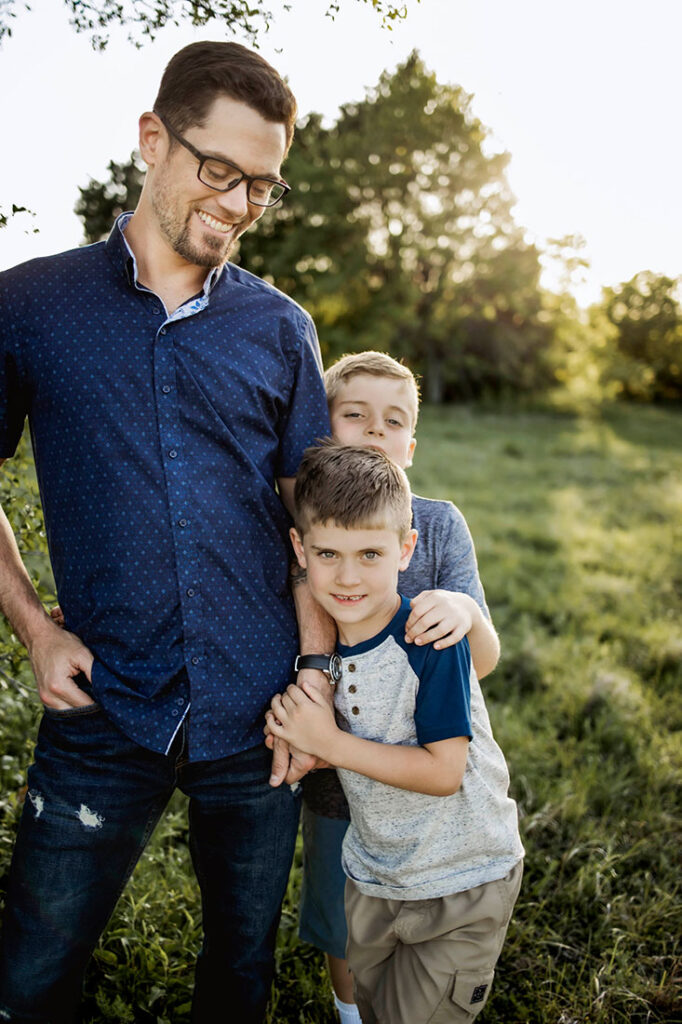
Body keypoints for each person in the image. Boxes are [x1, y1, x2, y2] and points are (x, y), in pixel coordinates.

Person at [0, 41, 334, 1023]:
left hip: (261, 710)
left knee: (238, 979)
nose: (237, 206)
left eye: (261, 187)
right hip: (104, 704)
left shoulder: (282, 329)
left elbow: (313, 525)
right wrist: (34, 626)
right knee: (26, 979)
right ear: (153, 140)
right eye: (218, 170)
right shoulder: (28, 305)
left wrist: (315, 680)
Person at [267, 442, 525, 1024]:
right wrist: (300, 737)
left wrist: (328, 742)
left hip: (460, 879)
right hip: (377, 874)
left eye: (370, 554)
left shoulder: (429, 641)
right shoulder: (319, 643)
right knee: (375, 1008)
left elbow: (442, 772)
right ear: (299, 549)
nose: (348, 575)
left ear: (406, 549)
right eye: (327, 552)